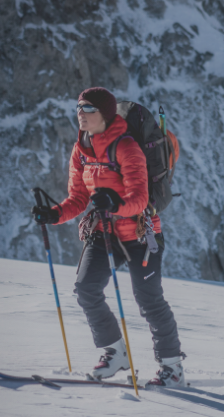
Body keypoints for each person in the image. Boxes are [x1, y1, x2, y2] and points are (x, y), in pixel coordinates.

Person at [31, 87, 185, 386]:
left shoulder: (127, 148)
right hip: (104, 232)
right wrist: (54, 214)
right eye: (78, 108)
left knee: (149, 300)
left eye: (88, 109)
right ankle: (115, 354)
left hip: (141, 234)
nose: (81, 114)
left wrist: (115, 203)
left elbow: (140, 199)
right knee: (85, 288)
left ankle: (172, 367)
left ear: (105, 114)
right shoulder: (81, 150)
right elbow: (77, 197)